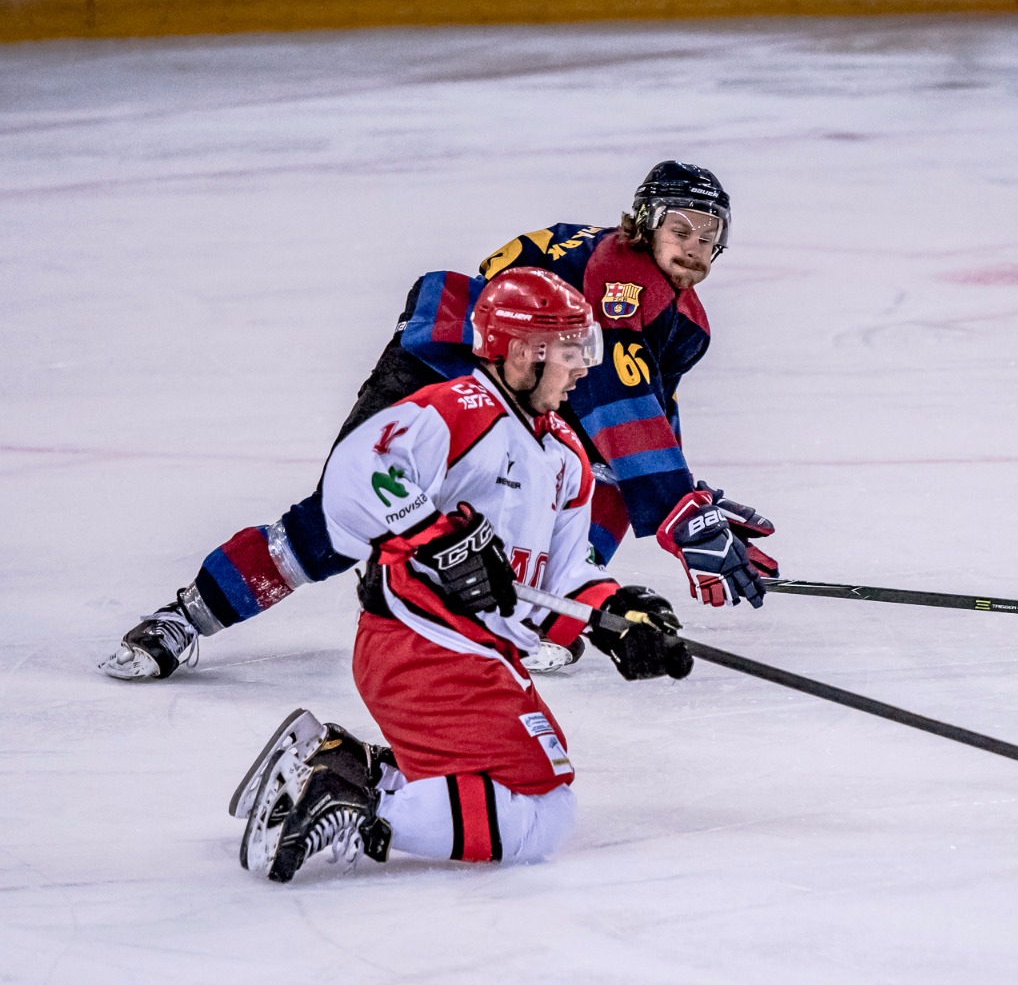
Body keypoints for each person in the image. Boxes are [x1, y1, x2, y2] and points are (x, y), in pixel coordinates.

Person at [101, 161, 777, 682]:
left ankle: (558, 613)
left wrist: (692, 509)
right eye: (680, 229)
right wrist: (679, 514)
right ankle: (187, 617)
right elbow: (615, 399)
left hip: (532, 386)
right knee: (347, 520)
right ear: (644, 222)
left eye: (708, 236)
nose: (694, 246)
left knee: (569, 499)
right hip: (445, 369)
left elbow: (637, 419)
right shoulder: (621, 274)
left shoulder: (679, 323)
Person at [234, 268, 693, 883]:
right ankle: (361, 804)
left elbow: (561, 574)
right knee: (539, 811)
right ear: (523, 352)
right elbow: (354, 473)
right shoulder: (457, 409)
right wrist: (435, 537)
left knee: (520, 793)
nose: (584, 366)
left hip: (473, 653)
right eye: (571, 351)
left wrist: (617, 616)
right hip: (423, 644)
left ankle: (351, 767)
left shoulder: (565, 455)